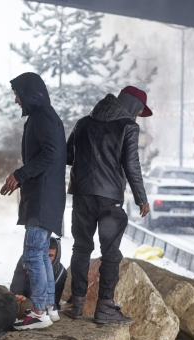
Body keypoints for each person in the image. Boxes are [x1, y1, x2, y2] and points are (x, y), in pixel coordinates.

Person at [63, 86, 151, 324]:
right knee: (110, 253)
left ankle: (78, 305)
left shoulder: (83, 123)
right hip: (110, 199)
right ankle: (104, 308)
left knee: (81, 248)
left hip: (82, 195)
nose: (138, 116)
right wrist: (141, 198)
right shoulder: (128, 127)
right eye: (139, 110)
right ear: (133, 105)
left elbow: (67, 156)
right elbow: (132, 165)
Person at [0, 72, 67, 331]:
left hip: (42, 198)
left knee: (32, 254)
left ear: (29, 93)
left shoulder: (43, 118)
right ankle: (48, 306)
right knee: (39, 254)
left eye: (17, 94)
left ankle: (39, 311)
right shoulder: (45, 117)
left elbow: (51, 154)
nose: (16, 100)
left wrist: (20, 174)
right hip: (45, 197)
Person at [10, 237, 67, 322]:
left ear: (57, 256)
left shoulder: (60, 272)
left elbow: (55, 299)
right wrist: (18, 294)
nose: (46, 259)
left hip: (41, 306)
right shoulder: (26, 260)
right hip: (24, 298)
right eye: (44, 255)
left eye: (50, 256)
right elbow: (17, 282)